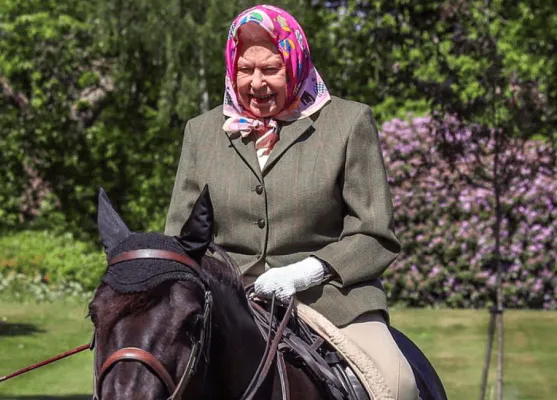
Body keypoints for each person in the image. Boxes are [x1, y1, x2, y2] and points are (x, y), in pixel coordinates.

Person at [165, 5, 419, 399]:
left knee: (398, 384)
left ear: (296, 62)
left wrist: (305, 273)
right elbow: (182, 239)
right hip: (227, 303)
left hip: (332, 299)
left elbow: (374, 235)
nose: (257, 83)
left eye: (271, 69)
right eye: (246, 69)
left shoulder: (349, 123)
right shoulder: (201, 132)